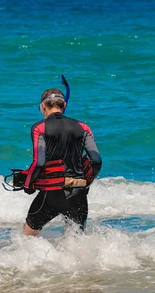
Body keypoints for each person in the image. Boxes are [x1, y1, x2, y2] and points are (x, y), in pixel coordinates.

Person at [22, 88, 102, 236]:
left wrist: (28, 185)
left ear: (43, 106)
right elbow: (96, 161)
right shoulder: (83, 127)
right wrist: (87, 182)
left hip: (52, 192)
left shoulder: (39, 127)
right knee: (75, 242)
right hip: (78, 192)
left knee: (28, 235)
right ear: (64, 105)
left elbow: (38, 163)